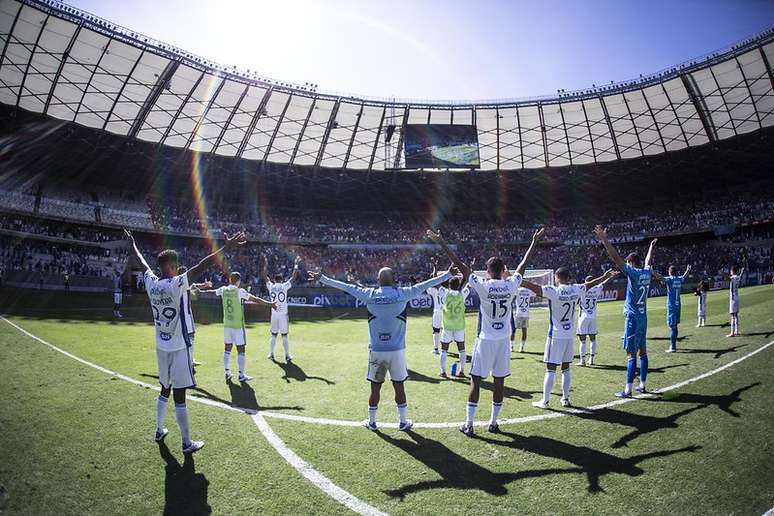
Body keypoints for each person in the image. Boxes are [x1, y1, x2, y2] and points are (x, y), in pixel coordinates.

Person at [309, 231, 464, 432]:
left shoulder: (369, 294)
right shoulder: (403, 293)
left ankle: (372, 422)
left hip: (376, 350)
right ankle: (403, 422)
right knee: (399, 386)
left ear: (379, 280)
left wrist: (323, 278)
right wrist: (448, 275)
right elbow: (426, 284)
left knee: (375, 387)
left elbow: (345, 287)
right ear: (394, 280)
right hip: (397, 351)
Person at [125, 228, 246, 454]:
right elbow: (203, 265)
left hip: (161, 347)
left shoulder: (152, 283)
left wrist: (133, 245)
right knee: (179, 395)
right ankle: (186, 442)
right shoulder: (176, 284)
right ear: (172, 266)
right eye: (176, 265)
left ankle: (159, 429)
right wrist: (225, 248)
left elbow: (142, 264)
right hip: (179, 347)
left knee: (164, 388)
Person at [459, 228, 544, 436]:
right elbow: (523, 266)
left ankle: (469, 425)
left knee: (476, 380)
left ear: (487, 271)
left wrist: (442, 242)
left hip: (485, 339)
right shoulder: (510, 285)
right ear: (503, 269)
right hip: (503, 341)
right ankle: (493, 422)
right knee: (499, 382)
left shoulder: (484, 286)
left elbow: (463, 268)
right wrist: (534, 241)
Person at [524, 268, 618, 408]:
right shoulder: (576, 289)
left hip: (555, 335)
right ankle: (565, 399)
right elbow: (591, 284)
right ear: (569, 278)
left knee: (550, 368)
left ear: (556, 277)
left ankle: (545, 401)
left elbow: (535, 287)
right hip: (569, 335)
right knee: (566, 368)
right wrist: (604, 276)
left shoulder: (553, 291)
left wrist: (518, 280)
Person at [594, 226, 653, 398]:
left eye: (628, 262)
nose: (626, 264)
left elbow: (616, 258)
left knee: (630, 354)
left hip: (632, 317)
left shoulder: (633, 273)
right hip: (643, 317)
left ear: (631, 263)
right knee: (643, 351)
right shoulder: (646, 272)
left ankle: (628, 390)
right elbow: (648, 261)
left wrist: (604, 240)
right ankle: (642, 385)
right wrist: (651, 247)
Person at [200, 272, 276, 382]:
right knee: (241, 349)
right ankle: (241, 375)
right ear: (238, 281)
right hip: (238, 326)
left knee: (227, 349)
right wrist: (270, 304)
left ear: (230, 279)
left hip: (227, 325)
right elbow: (255, 299)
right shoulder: (240, 291)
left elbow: (212, 292)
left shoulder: (223, 289)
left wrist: (200, 291)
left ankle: (227, 372)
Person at [576, 271, 618, 366]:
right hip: (593, 317)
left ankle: (582, 361)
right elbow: (604, 282)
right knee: (593, 339)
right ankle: (591, 360)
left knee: (582, 340)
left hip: (583, 317)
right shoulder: (597, 289)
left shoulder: (583, 289)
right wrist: (611, 276)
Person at [263, 255, 300, 362]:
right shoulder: (284, 286)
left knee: (273, 335)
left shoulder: (271, 286)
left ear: (274, 280)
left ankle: (271, 354)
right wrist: (296, 264)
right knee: (284, 335)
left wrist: (265, 263)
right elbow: (294, 277)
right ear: (282, 280)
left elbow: (264, 276)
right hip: (283, 314)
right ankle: (287, 355)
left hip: (274, 314)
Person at [438, 268, 472, 378]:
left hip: (447, 326)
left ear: (449, 285)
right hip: (459, 326)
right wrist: (469, 270)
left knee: (444, 350)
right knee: (462, 349)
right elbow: (468, 283)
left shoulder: (445, 293)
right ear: (458, 285)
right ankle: (462, 371)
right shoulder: (462, 294)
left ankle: (443, 372)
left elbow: (438, 283)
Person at [178, 265, 212, 367]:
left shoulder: (177, 282)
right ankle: (189, 360)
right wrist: (202, 287)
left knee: (184, 337)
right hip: (185, 315)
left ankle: (188, 359)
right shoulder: (184, 283)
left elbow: (193, 286)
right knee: (190, 336)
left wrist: (204, 285)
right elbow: (194, 291)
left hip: (181, 314)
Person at [659, 260, 691, 353]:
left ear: (669, 272)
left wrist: (653, 272)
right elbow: (684, 276)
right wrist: (687, 271)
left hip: (672, 306)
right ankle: (673, 345)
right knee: (675, 326)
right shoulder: (679, 279)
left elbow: (661, 278)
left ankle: (672, 347)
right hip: (678, 305)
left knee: (672, 326)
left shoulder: (670, 279)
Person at [425, 257, 445, 354]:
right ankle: (445, 348)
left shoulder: (433, 290)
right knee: (445, 330)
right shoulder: (446, 290)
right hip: (446, 312)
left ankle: (436, 349)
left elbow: (433, 281)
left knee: (436, 330)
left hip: (437, 312)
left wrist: (435, 267)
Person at [510, 287, 534, 352]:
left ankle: (511, 346)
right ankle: (522, 348)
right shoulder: (529, 290)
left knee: (513, 330)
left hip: (518, 313)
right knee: (524, 331)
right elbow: (535, 294)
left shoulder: (517, 290)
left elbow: (512, 296)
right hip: (525, 313)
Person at [728, 265, 744, 337]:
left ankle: (732, 332)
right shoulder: (737, 277)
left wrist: (722, 273)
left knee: (732, 315)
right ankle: (736, 331)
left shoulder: (733, 277)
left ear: (732, 271)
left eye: (731, 271)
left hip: (733, 298)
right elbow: (740, 276)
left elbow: (728, 279)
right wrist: (742, 271)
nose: (730, 272)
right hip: (737, 297)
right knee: (736, 315)